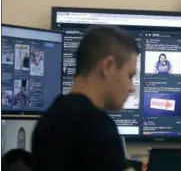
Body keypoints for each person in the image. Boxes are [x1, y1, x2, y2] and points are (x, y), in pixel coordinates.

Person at [31, 25, 140, 171]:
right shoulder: (100, 129)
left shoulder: (47, 122)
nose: (131, 87)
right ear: (108, 66)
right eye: (130, 76)